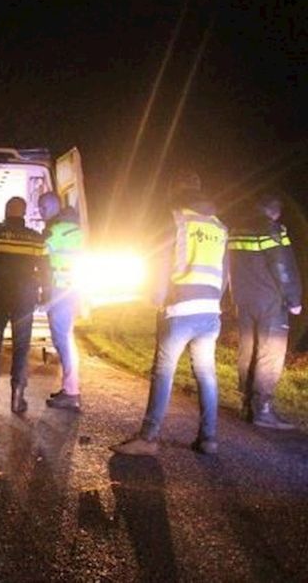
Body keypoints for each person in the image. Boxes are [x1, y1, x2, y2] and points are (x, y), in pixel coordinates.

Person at [112, 170, 228, 456]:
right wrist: (215, 300)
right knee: (207, 375)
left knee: (163, 373)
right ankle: (209, 439)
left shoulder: (175, 217)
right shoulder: (219, 225)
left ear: (175, 190)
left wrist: (158, 297)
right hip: (210, 311)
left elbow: (161, 262)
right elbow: (225, 273)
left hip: (180, 309)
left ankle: (148, 438)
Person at [0, 196, 50, 414]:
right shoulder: (36, 239)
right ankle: (17, 397)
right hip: (25, 298)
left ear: (6, 212)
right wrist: (46, 295)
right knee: (21, 347)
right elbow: (46, 270)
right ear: (23, 213)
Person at [228, 193, 303, 430]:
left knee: (248, 350)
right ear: (275, 212)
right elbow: (282, 265)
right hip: (269, 301)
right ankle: (263, 410)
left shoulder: (235, 230)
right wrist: (294, 299)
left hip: (243, 300)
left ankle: (247, 404)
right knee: (270, 353)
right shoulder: (273, 230)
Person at [38, 192, 84, 411]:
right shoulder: (76, 228)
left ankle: (72, 391)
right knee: (65, 338)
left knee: (63, 340)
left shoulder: (54, 231)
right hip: (72, 288)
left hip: (60, 289)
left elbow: (35, 253)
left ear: (52, 207)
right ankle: (68, 388)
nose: (41, 213)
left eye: (43, 208)